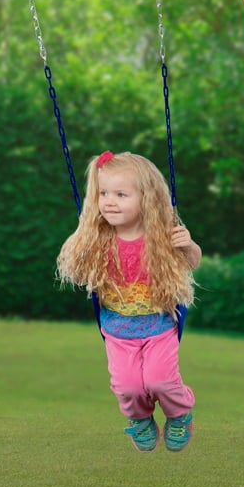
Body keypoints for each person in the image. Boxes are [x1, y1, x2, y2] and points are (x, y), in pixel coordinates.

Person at [55, 150, 201, 452]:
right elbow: (77, 272)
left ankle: (179, 413)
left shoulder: (160, 235)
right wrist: (81, 247)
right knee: (128, 387)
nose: (109, 201)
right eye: (104, 193)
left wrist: (187, 245)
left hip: (159, 325)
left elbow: (190, 263)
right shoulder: (97, 237)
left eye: (121, 194)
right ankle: (139, 418)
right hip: (118, 330)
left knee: (160, 380)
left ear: (146, 198)